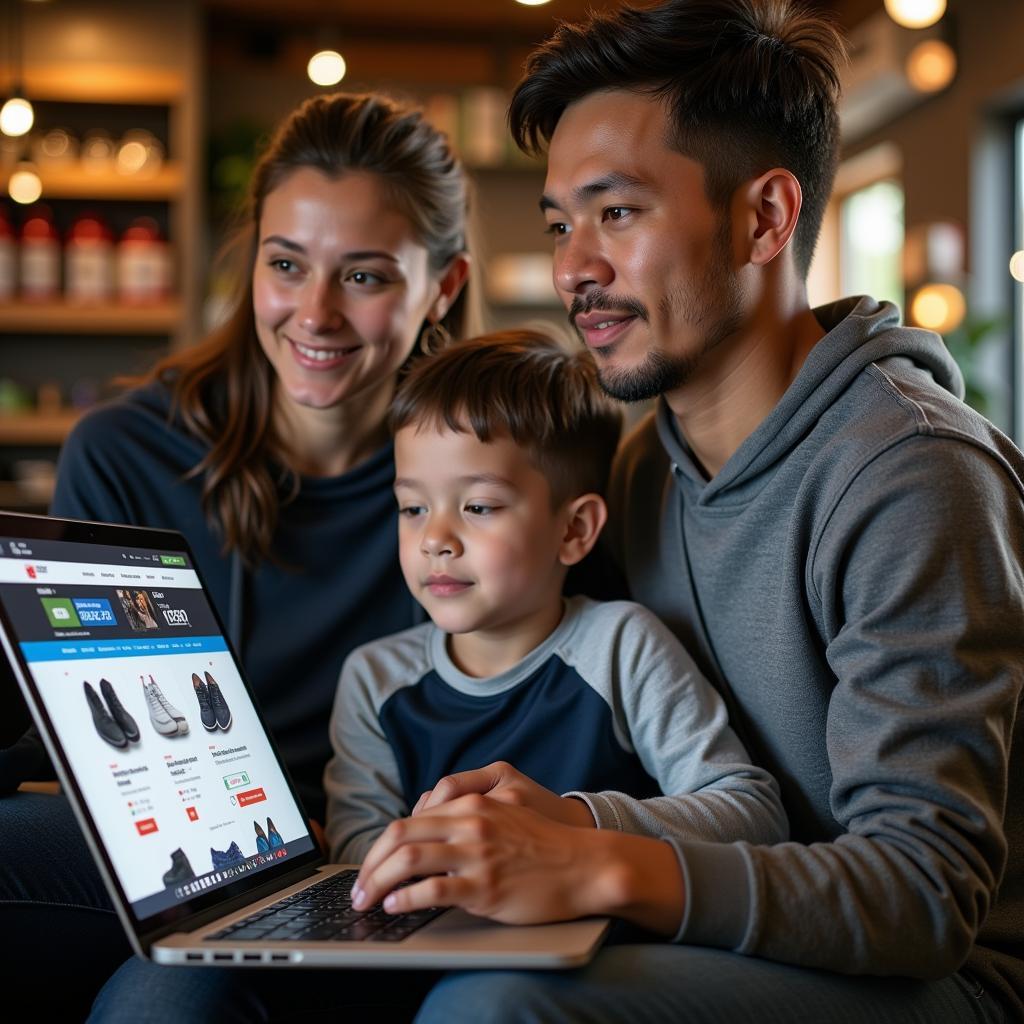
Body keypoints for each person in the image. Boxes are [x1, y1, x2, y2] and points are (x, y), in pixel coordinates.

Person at [349, 2, 1024, 1021]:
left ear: (763, 218)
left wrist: (597, 863)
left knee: (495, 1008)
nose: (575, 266)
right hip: (728, 928)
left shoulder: (914, 476)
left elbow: (923, 896)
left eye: (616, 213)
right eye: (560, 224)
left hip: (941, 981)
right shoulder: (637, 473)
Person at [0, 90, 472, 1018]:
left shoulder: (493, 478)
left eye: (366, 277)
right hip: (188, 845)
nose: (316, 314)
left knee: (163, 1003)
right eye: (286, 264)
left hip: (385, 866)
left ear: (443, 288)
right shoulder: (126, 451)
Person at [325, 330, 787, 877]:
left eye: (477, 505)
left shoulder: (620, 648)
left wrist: (575, 821)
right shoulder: (374, 680)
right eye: (412, 509)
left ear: (574, 529)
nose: (435, 539)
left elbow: (751, 812)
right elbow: (357, 851)